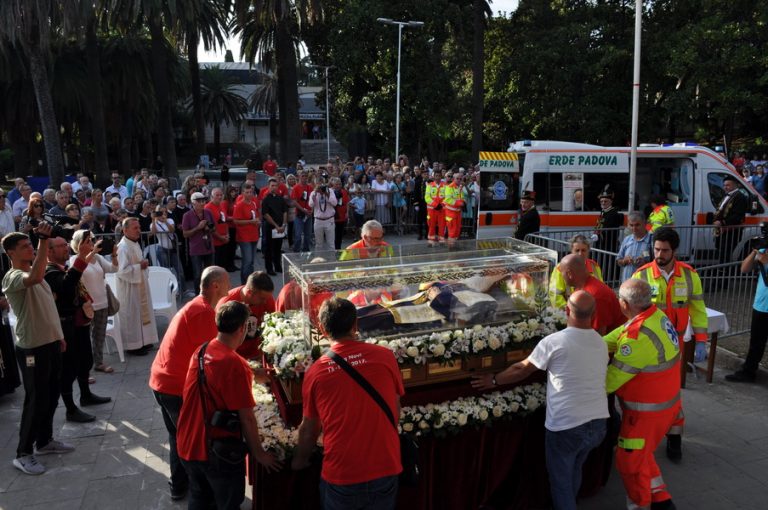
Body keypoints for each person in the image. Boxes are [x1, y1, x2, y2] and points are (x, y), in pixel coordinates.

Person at [472, 291, 608, 510]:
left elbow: (521, 369)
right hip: (598, 423)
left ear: (567, 311)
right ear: (593, 313)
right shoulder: (600, 343)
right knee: (575, 470)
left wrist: (494, 380)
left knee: (561, 482)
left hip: (567, 425)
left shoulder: (555, 341)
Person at [292, 297, 404, 509]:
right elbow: (395, 408)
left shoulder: (316, 372)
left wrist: (299, 460)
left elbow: (309, 429)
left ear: (323, 330)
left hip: (342, 472)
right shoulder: (386, 357)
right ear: (355, 325)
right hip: (385, 464)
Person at [176, 301, 281, 509]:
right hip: (213, 452)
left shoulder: (202, 350)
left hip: (187, 443)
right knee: (228, 502)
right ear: (242, 328)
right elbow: (247, 417)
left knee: (200, 498)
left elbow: (217, 373)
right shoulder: (234, 365)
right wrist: (259, 454)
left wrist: (250, 373)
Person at [150, 266, 231, 501]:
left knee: (177, 436)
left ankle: (179, 485)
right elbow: (212, 358)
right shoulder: (203, 313)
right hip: (173, 386)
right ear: (215, 286)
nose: (228, 288)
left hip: (163, 381)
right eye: (226, 283)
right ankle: (199, 491)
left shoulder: (201, 306)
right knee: (190, 440)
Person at [3, 227, 76, 475]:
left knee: (51, 394)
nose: (30, 248)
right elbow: (32, 277)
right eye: (24, 246)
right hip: (32, 347)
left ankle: (44, 442)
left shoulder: (38, 272)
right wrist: (44, 241)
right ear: (10, 253)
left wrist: (58, 337)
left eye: (30, 244)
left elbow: (47, 307)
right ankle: (23, 453)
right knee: (35, 400)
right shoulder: (12, 276)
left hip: (51, 343)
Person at [604, 279, 681, 510]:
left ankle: (640, 504)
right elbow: (620, 334)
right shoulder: (655, 316)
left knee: (630, 463)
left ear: (625, 304)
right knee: (643, 454)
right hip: (664, 408)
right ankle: (660, 499)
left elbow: (608, 382)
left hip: (644, 415)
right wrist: (593, 343)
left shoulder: (636, 339)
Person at [632, 226, 706, 460]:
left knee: (672, 392)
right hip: (648, 346)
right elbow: (631, 312)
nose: (659, 255)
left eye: (664, 250)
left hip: (676, 347)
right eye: (656, 249)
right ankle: (644, 433)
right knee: (646, 391)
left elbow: (698, 309)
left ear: (675, 251)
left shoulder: (689, 274)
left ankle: (674, 436)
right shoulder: (641, 275)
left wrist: (701, 340)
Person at [45, 235, 112, 423]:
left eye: (66, 245)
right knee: (68, 368)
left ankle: (85, 395)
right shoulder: (49, 272)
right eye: (60, 246)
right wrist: (82, 256)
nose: (66, 248)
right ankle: (70, 408)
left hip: (79, 321)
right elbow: (67, 285)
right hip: (65, 324)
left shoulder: (64, 267)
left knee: (85, 360)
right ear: (49, 251)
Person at [69, 230, 118, 375]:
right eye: (88, 241)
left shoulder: (97, 257)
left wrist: (114, 254)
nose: (91, 243)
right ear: (79, 244)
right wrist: (92, 252)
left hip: (102, 301)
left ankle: (99, 362)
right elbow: (79, 269)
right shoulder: (75, 259)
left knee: (99, 335)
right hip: (87, 305)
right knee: (84, 339)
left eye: (91, 240)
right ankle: (85, 369)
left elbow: (113, 269)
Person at [725, 241, 768, 383]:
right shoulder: (764, 250)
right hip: (761, 304)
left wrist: (766, 263)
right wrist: (755, 251)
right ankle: (748, 372)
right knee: (756, 342)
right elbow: (744, 269)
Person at [116, 217, 159, 355]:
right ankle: (133, 346)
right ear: (125, 230)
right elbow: (122, 271)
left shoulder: (134, 243)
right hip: (129, 288)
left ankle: (144, 341)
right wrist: (139, 266)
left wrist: (141, 265)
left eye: (139, 228)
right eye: (135, 228)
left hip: (139, 284)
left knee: (141, 314)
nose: (139, 231)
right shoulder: (122, 247)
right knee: (132, 315)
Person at [557, 255, 624, 335]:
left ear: (569, 274)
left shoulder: (594, 295)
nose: (561, 276)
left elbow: (599, 335)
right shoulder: (584, 287)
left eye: (562, 273)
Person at [217, 271, 275, 360]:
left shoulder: (267, 299)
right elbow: (220, 338)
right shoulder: (227, 304)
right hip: (234, 357)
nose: (265, 302)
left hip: (258, 354)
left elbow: (273, 326)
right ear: (249, 292)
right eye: (262, 298)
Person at [549, 235, 604, 309]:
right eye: (577, 250)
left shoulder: (594, 266)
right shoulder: (560, 268)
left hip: (591, 312)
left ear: (588, 250)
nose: (580, 253)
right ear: (571, 250)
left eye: (583, 250)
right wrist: (568, 309)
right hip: (569, 312)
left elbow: (601, 289)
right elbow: (555, 294)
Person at [182, 192, 216, 293]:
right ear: (193, 203)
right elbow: (185, 234)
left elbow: (214, 228)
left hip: (208, 247)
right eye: (200, 201)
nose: (202, 203)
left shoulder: (208, 212)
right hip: (196, 249)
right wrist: (198, 228)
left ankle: (210, 293)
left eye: (203, 201)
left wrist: (209, 228)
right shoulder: (187, 215)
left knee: (210, 273)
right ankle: (198, 295)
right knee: (197, 274)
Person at [713, 175, 749, 263]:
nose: (725, 187)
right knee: (722, 251)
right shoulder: (727, 195)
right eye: (724, 185)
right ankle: (722, 272)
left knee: (726, 253)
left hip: (731, 231)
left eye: (728, 185)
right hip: (723, 231)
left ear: (735, 185)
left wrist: (722, 222)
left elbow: (737, 216)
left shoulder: (740, 197)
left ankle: (724, 274)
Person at [151, 205, 186, 294]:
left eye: (165, 212)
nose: (163, 214)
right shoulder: (154, 223)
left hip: (172, 249)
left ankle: (182, 291)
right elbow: (153, 232)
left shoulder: (170, 220)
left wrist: (165, 221)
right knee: (165, 272)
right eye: (160, 212)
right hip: (162, 249)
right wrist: (153, 220)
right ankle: (168, 292)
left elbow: (172, 230)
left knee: (180, 271)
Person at [232, 183, 261, 285]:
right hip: (244, 237)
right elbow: (235, 221)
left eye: (251, 192)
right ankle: (244, 283)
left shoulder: (253, 203)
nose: (249, 194)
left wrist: (257, 222)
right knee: (247, 261)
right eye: (247, 192)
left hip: (254, 235)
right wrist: (250, 222)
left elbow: (255, 216)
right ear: (242, 193)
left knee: (251, 262)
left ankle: (250, 282)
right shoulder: (239, 205)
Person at [261, 178, 288, 276]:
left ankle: (277, 266)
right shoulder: (266, 199)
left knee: (278, 248)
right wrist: (276, 226)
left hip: (280, 227)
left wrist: (283, 225)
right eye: (272, 185)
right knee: (269, 249)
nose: (274, 187)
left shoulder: (280, 198)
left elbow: (285, 211)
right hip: (270, 227)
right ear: (268, 186)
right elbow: (265, 214)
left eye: (275, 186)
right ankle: (269, 268)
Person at [617, 212, 652, 282]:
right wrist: (624, 261)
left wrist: (645, 263)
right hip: (627, 283)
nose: (634, 228)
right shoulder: (627, 240)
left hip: (644, 284)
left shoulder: (652, 240)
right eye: (631, 225)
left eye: (637, 225)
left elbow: (659, 263)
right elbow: (618, 260)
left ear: (645, 224)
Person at [205, 188, 231, 271]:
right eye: (217, 195)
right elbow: (210, 227)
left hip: (224, 240)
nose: (219, 197)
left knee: (222, 265)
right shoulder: (208, 208)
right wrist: (220, 237)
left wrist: (227, 235)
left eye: (221, 195)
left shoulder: (221, 205)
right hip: (215, 242)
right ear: (212, 196)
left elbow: (225, 220)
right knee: (215, 267)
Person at [309, 180, 338, 252]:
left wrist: (327, 194)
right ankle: (319, 261)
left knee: (331, 244)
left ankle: (332, 261)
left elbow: (335, 203)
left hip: (329, 220)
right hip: (318, 221)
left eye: (322, 184)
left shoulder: (330, 191)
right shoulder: (313, 193)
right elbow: (310, 205)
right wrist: (315, 195)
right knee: (318, 244)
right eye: (319, 184)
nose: (321, 186)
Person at [593, 186, 624, 252]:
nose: (603, 203)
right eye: (601, 201)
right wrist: (595, 233)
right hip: (601, 243)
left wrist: (598, 236)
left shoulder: (613, 213)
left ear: (611, 202)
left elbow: (610, 229)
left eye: (605, 201)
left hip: (608, 245)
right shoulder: (603, 211)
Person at [290, 171, 314, 252]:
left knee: (308, 235)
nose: (304, 178)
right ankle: (296, 250)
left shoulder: (310, 187)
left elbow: (313, 200)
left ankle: (306, 251)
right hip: (299, 215)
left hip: (308, 215)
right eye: (303, 176)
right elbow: (294, 202)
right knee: (298, 236)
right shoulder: (296, 188)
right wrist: (303, 210)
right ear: (299, 177)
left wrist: (312, 210)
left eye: (306, 176)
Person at [442, 172, 465, 245]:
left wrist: (464, 202)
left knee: (457, 231)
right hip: (450, 213)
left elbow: (462, 197)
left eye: (460, 179)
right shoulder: (449, 187)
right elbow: (448, 199)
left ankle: (453, 247)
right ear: (453, 179)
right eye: (457, 178)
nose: (459, 180)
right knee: (452, 231)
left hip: (458, 212)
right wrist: (460, 203)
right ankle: (450, 249)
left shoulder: (459, 188)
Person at [425, 175, 445, 245]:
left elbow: (447, 197)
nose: (438, 177)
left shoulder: (445, 185)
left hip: (441, 210)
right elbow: (427, 198)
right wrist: (436, 205)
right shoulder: (429, 186)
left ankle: (441, 240)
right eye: (436, 176)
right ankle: (431, 241)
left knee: (442, 225)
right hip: (432, 210)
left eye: (439, 175)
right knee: (431, 225)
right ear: (434, 177)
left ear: (441, 176)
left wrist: (441, 205)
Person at [332, 177, 350, 250]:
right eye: (336, 184)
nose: (338, 186)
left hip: (342, 216)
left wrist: (347, 213)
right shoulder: (330, 192)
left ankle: (338, 249)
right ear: (333, 184)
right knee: (333, 235)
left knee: (339, 234)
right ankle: (333, 249)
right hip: (333, 216)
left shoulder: (344, 192)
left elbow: (347, 203)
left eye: (339, 184)